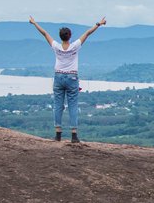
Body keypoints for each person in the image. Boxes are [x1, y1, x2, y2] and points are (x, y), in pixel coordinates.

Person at [29, 15, 106, 143]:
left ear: (60, 37)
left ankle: (58, 134)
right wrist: (99, 23)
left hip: (58, 77)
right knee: (73, 106)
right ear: (70, 36)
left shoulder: (56, 47)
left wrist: (34, 23)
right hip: (72, 77)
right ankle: (74, 135)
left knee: (58, 105)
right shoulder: (75, 46)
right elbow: (87, 33)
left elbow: (45, 33)